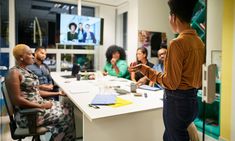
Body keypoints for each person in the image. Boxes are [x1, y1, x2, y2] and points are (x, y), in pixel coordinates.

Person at [129, 0, 205, 140]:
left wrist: (146, 70)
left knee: (173, 137)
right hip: (193, 101)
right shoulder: (199, 42)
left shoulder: (177, 43)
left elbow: (171, 82)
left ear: (174, 17)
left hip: (177, 102)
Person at [5, 44, 75, 140]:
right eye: (29, 54)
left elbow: (36, 91)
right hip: (29, 115)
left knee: (68, 107)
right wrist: (41, 106)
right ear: (21, 57)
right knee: (65, 116)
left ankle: (60, 137)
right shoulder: (14, 73)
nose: (33, 56)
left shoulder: (26, 71)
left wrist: (57, 93)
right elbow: (16, 100)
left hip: (37, 108)